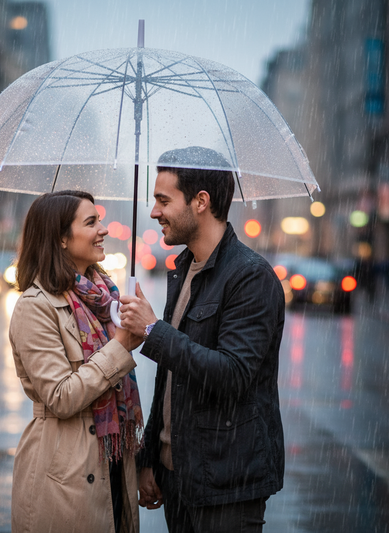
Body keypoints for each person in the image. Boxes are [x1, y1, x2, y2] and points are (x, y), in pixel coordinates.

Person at [119, 147, 285, 532]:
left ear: (201, 202)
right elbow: (171, 378)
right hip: (178, 479)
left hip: (226, 484)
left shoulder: (250, 277)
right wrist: (151, 459)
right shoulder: (185, 269)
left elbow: (232, 374)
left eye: (163, 200)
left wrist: (153, 331)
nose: (154, 212)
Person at [9, 190, 144, 533]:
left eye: (99, 220)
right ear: (62, 239)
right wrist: (119, 347)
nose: (103, 230)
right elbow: (61, 396)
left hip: (110, 463)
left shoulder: (106, 298)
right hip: (64, 474)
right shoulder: (34, 306)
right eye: (91, 222)